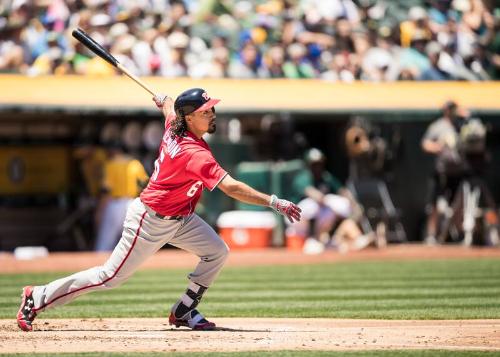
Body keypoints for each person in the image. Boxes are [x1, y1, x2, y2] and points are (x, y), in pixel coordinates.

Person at [16, 88, 301, 332]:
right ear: (189, 117)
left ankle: (184, 310)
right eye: (205, 111)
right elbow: (232, 188)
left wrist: (164, 100)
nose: (212, 114)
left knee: (217, 251)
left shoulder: (174, 124)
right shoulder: (194, 153)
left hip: (182, 218)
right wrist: (274, 201)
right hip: (150, 220)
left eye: (211, 109)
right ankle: (37, 296)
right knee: (110, 277)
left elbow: (168, 110)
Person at [289, 148, 371, 254]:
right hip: (295, 218)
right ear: (308, 165)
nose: (317, 167)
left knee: (334, 207)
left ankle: (326, 239)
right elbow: (314, 195)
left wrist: (354, 205)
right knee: (317, 205)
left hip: (317, 215)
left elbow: (343, 191)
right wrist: (328, 201)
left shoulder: (325, 177)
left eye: (319, 163)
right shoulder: (303, 178)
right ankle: (312, 239)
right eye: (314, 164)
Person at [421, 100, 467, 244]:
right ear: (446, 110)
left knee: (458, 205)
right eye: (451, 109)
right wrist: (439, 146)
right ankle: (431, 235)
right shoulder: (438, 126)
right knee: (434, 205)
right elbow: (425, 144)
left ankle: (459, 234)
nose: (453, 112)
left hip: (457, 172)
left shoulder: (460, 125)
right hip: (441, 171)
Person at [94, 143, 149, 251]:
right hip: (132, 204)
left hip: (115, 204)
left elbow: (106, 190)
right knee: (131, 242)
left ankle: (101, 265)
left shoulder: (111, 164)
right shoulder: (135, 163)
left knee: (105, 241)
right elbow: (145, 185)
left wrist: (99, 210)